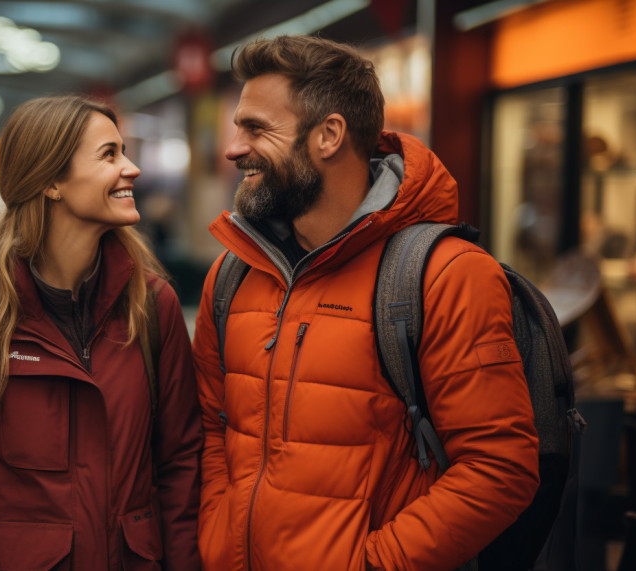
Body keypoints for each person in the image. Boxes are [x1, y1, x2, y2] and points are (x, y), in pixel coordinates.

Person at [192, 35, 539, 571]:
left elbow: (499, 467)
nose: (234, 148)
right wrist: (219, 538)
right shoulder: (234, 273)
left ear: (328, 134)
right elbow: (216, 428)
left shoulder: (444, 276)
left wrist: (373, 565)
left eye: (256, 128)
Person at [0, 95, 203, 571]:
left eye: (124, 151)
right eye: (109, 155)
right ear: (50, 181)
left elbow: (181, 470)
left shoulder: (152, 307)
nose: (132, 169)